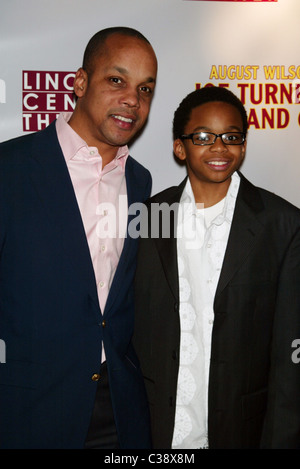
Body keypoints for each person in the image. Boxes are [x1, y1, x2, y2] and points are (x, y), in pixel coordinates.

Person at [0, 26, 157, 449]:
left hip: (120, 411)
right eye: (117, 80)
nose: (133, 100)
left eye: (145, 88)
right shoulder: (9, 169)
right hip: (27, 411)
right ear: (80, 82)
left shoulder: (140, 182)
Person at [133, 86, 300, 449]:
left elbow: (290, 356)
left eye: (232, 136)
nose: (220, 147)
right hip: (158, 428)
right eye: (204, 137)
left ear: (243, 145)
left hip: (242, 431)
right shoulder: (149, 217)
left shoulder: (282, 224)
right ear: (181, 147)